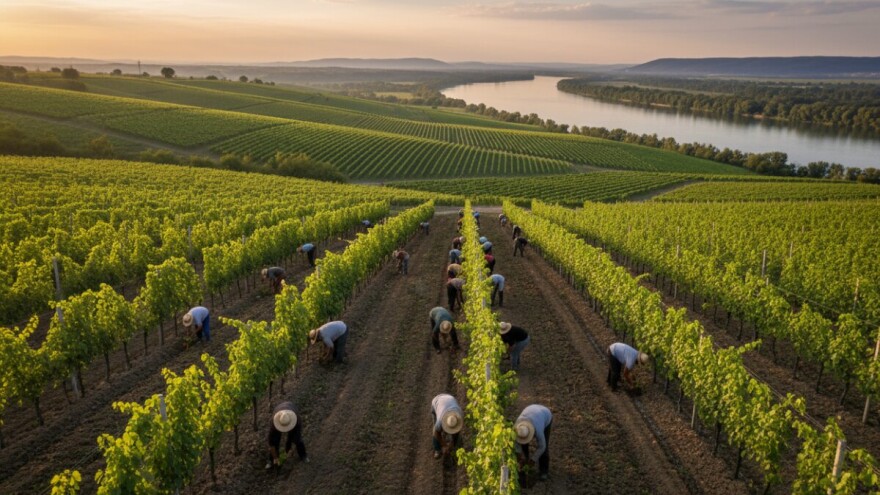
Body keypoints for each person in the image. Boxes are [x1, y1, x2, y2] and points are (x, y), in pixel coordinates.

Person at [266, 401, 308, 470]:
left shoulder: (296, 420)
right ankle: (271, 461)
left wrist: (290, 450)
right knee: (275, 440)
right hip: (280, 409)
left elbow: (296, 436)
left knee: (297, 439)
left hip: (291, 409)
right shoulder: (274, 424)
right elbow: (271, 444)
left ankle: (303, 455)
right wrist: (275, 458)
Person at [515, 404, 552, 481]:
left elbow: (542, 446)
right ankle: (526, 460)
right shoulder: (517, 427)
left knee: (544, 449)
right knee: (523, 443)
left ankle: (544, 471)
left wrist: (533, 460)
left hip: (545, 414)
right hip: (531, 410)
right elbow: (516, 443)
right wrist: (520, 457)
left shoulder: (538, 429)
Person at [431, 393, 463, 459]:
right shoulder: (440, 421)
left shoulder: (459, 415)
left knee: (456, 434)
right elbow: (436, 433)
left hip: (450, 399)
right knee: (437, 429)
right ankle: (437, 449)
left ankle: (455, 446)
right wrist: (444, 445)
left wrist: (452, 444)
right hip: (436, 401)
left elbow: (457, 430)